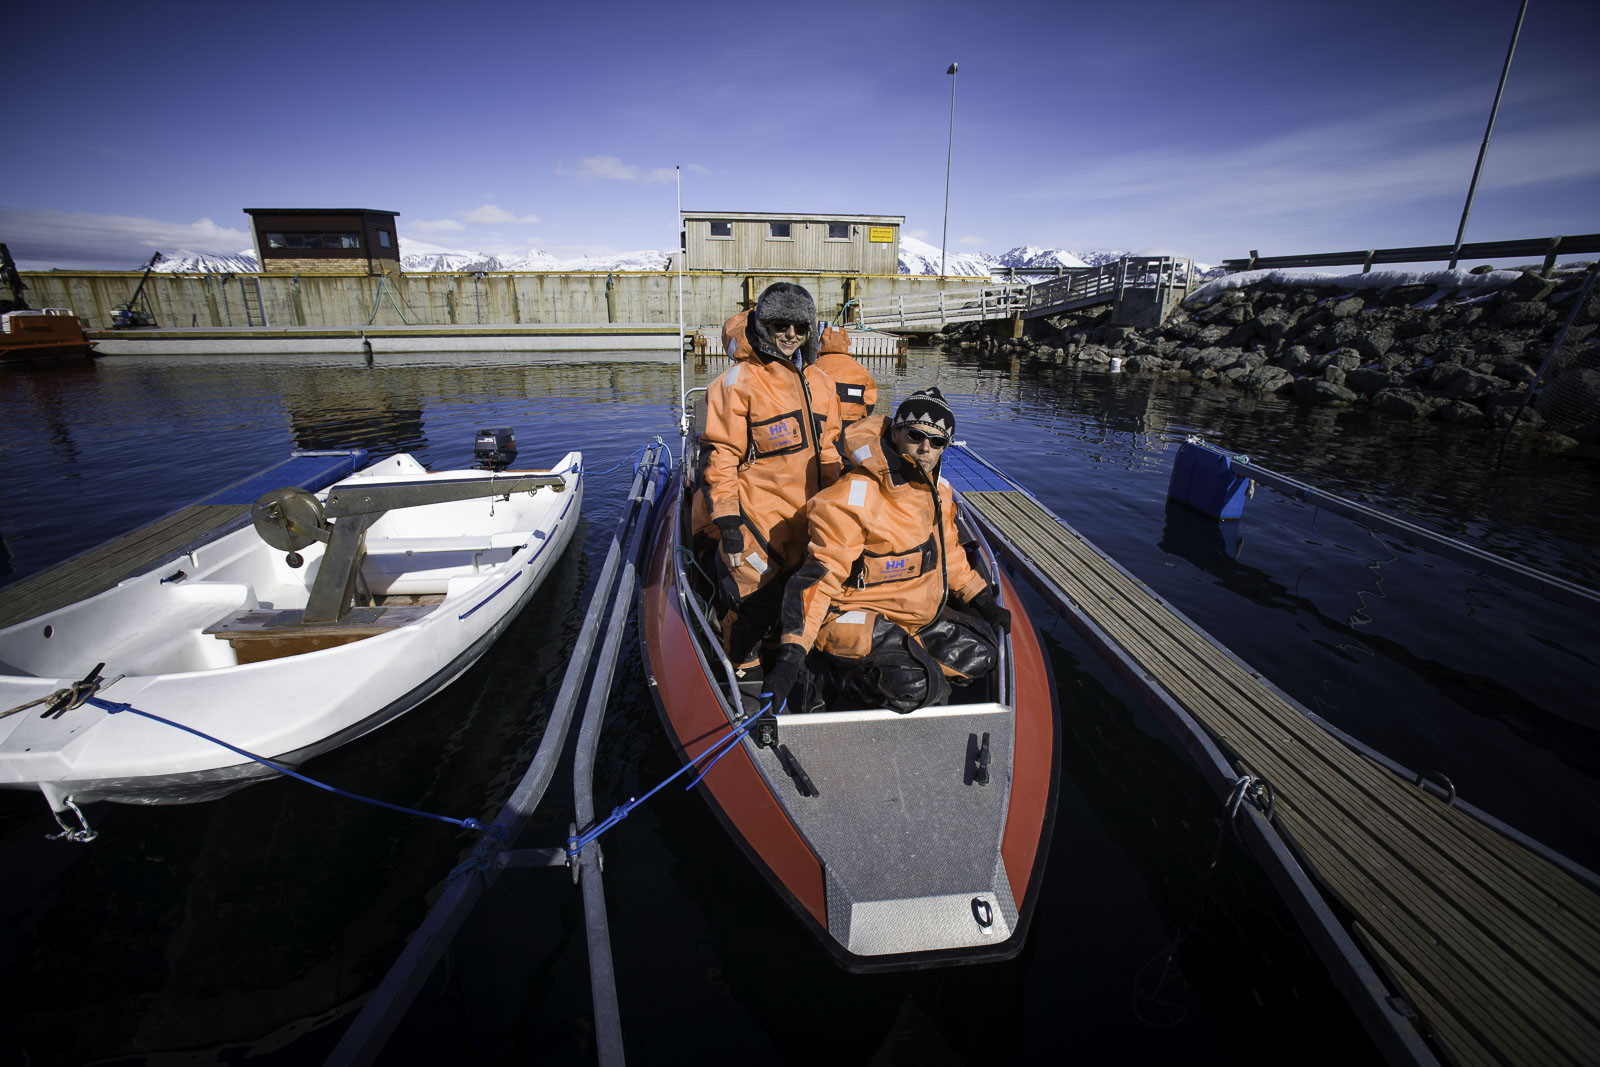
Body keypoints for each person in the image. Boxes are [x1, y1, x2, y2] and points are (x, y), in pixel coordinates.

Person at [764, 387, 1012, 714]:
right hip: (851, 615)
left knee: (982, 657)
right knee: (917, 685)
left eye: (937, 442)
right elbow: (818, 580)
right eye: (916, 434)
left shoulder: (939, 493)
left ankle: (906, 664)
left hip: (912, 618)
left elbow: (950, 555)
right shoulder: (854, 496)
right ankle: (835, 677)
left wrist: (981, 599)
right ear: (895, 433)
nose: (925, 448)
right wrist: (791, 656)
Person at [691, 283, 842, 679]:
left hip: (807, 522)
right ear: (762, 325)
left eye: (800, 326)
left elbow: (831, 451)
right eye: (780, 323)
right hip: (756, 523)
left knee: (798, 604)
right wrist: (727, 522)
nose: (790, 333)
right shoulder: (737, 382)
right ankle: (743, 678)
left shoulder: (823, 384)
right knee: (747, 611)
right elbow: (720, 457)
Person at [814, 325, 877, 429]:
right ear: (847, 344)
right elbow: (870, 401)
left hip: (821, 425)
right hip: (852, 424)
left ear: (821, 344)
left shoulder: (813, 367)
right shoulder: (862, 370)